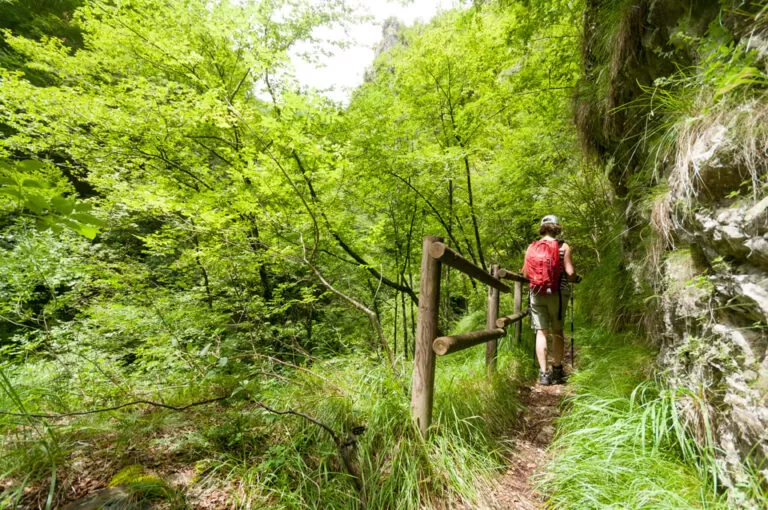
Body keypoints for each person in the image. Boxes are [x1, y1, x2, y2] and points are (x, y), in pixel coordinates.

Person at [521, 215, 579, 386]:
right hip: (558, 294)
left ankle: (543, 374)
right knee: (557, 331)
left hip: (537, 292)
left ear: (542, 228)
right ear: (556, 227)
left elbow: (525, 274)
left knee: (541, 332)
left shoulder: (532, 247)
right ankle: (557, 370)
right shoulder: (563, 246)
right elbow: (570, 273)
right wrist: (575, 278)